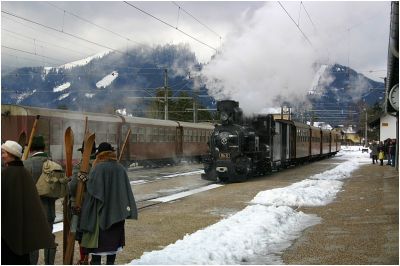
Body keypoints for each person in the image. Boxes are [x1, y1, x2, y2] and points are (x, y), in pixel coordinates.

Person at [79, 142, 138, 265]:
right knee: (112, 249)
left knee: (98, 250)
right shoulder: (120, 168)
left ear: (99, 154)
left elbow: (94, 191)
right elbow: (125, 191)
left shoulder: (97, 168)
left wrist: (85, 180)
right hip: (117, 216)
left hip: (100, 215)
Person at [1, 140, 55, 265]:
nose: (1, 155)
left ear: (10, 154)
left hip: (7, 230)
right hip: (24, 226)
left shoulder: (6, 174)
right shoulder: (24, 173)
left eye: (3, 153)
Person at [23, 136, 57, 265]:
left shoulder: (25, 164)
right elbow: (57, 191)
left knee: (33, 242)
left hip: (30, 212)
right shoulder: (53, 165)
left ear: (30, 149)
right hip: (49, 210)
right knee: (49, 239)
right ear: (44, 148)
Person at [68, 141, 96, 264]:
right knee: (94, 233)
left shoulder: (80, 166)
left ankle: (83, 258)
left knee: (80, 233)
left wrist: (68, 183)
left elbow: (73, 187)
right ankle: (94, 258)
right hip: (96, 205)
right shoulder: (99, 164)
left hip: (81, 204)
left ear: (84, 152)